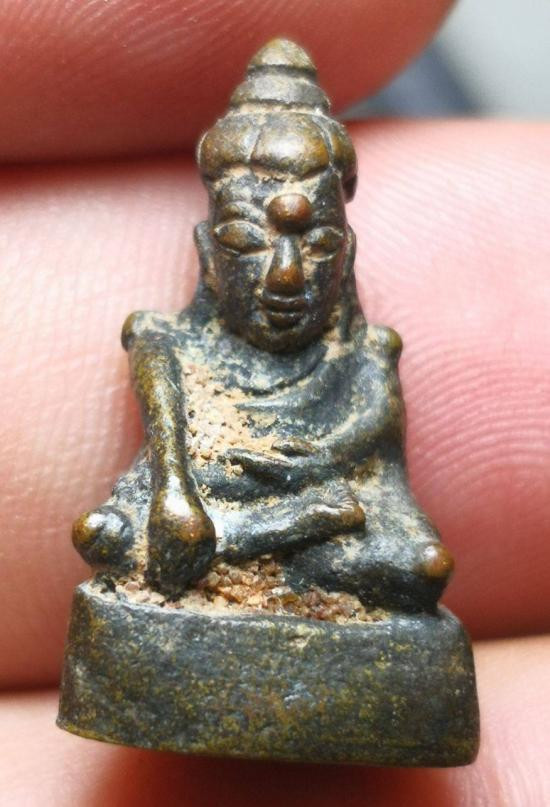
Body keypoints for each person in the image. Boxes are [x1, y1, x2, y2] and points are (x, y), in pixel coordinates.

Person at [1, 2, 549, 805]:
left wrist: (306, 498)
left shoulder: (365, 363)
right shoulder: (173, 350)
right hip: (234, 524)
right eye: (248, 243)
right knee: (111, 536)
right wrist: (267, 512)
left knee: (417, 567)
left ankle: (273, 540)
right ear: (206, 252)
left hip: (310, 538)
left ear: (345, 254)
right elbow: (149, 500)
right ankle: (278, 535)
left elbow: (387, 499)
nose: (286, 277)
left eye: (317, 245)